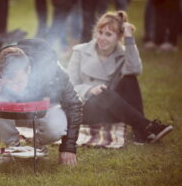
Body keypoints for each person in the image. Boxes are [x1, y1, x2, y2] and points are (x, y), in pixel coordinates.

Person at [0, 39, 83, 166]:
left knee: (57, 127)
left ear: (28, 70)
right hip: (10, 111)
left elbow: (74, 104)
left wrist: (68, 147)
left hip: (42, 113)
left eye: (19, 82)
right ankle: (12, 148)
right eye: (9, 83)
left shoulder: (51, 70)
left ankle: (37, 147)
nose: (15, 88)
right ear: (1, 73)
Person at [67, 11, 173, 144]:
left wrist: (129, 39)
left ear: (119, 37)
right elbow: (68, 86)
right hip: (84, 108)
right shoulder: (80, 51)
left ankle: (140, 132)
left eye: (108, 34)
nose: (102, 38)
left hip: (111, 109)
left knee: (130, 79)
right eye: (100, 32)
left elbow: (135, 70)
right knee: (104, 93)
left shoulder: (123, 53)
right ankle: (146, 127)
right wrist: (90, 89)